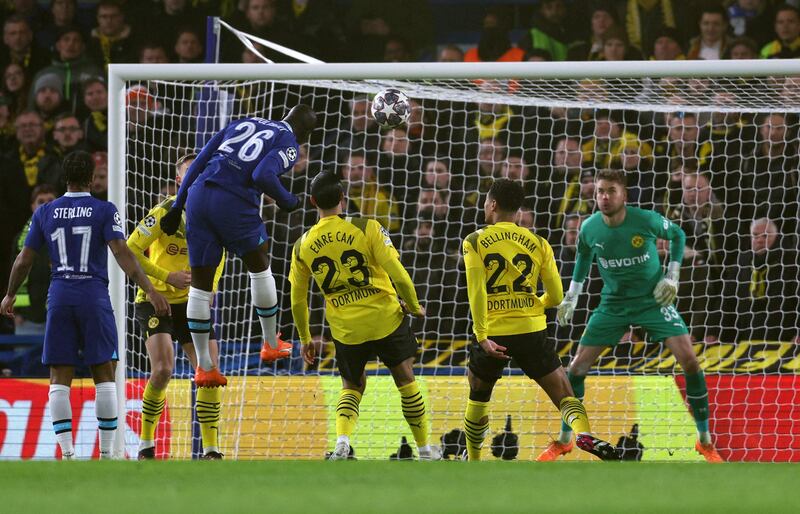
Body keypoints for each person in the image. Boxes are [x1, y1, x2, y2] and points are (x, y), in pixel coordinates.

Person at [544, 169, 723, 463]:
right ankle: (565, 439)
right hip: (613, 305)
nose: (604, 197)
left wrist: (672, 275)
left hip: (652, 301)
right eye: (600, 191)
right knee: (575, 368)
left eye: (611, 191)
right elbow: (583, 258)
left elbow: (677, 234)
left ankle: (704, 440)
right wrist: (572, 297)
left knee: (689, 359)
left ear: (624, 195)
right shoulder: (589, 228)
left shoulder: (646, 219)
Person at [1, 150, 169, 460]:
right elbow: (122, 254)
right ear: (91, 178)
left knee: (59, 374)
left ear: (64, 178)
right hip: (93, 293)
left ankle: (67, 453)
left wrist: (10, 293)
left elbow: (25, 259)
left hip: (60, 294)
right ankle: (106, 454)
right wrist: (151, 289)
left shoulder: (45, 212)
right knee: (104, 370)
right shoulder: (104, 210)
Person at [159, 106, 317, 387]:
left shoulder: (244, 122)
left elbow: (199, 161)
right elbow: (263, 175)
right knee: (259, 266)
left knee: (200, 285)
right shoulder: (289, 143)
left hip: (197, 196)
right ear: (303, 135)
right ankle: (270, 343)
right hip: (232, 200)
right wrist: (286, 199)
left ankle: (205, 368)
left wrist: (178, 205)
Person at [460, 179, 616, 461]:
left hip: (494, 332)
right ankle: (583, 433)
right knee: (563, 391)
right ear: (518, 209)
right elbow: (556, 296)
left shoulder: (474, 241)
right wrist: (534, 305)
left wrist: (482, 335)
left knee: (477, 394)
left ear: (493, 205)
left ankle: (472, 458)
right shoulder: (539, 243)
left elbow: (477, 292)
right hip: (531, 329)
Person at [289, 170, 441, 461]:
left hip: (346, 328)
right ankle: (423, 449)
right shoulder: (367, 227)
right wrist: (414, 304)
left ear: (312, 201)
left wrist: (305, 338)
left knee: (352, 385)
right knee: (405, 377)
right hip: (385, 318)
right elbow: (398, 272)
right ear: (344, 199)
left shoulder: (302, 245)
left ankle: (342, 444)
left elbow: (298, 299)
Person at [127, 152, 226, 460]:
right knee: (163, 370)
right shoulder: (164, 212)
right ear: (179, 181)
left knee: (209, 370)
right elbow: (130, 249)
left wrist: (210, 286)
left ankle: (211, 449)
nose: (197, 175)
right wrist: (165, 275)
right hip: (156, 300)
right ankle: (145, 443)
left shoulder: (214, 214)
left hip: (192, 301)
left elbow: (219, 254)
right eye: (190, 171)